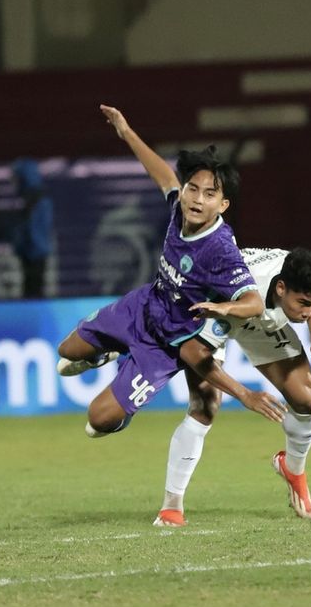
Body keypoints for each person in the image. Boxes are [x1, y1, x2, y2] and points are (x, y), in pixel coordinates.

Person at [56, 105, 287, 442]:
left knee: (97, 422)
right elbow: (162, 174)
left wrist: (225, 308)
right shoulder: (180, 208)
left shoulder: (220, 250)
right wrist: (126, 132)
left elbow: (252, 302)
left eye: (210, 194)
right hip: (142, 306)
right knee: (67, 352)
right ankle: (109, 352)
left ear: (222, 205)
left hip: (165, 345)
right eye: (192, 189)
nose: (196, 199)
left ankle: (120, 411)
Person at [154, 246, 311, 527]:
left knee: (307, 399)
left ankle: (293, 469)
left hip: (256, 314)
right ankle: (171, 506)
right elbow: (195, 353)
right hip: (212, 312)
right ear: (281, 288)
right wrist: (244, 395)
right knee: (206, 405)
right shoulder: (231, 291)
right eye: (303, 303)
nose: (308, 311)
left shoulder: (294, 272)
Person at [10, 158, 54, 298]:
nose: (14, 182)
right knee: (30, 287)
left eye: (16, 178)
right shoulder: (28, 200)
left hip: (35, 253)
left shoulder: (36, 200)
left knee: (34, 287)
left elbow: (36, 228)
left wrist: (31, 248)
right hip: (30, 252)